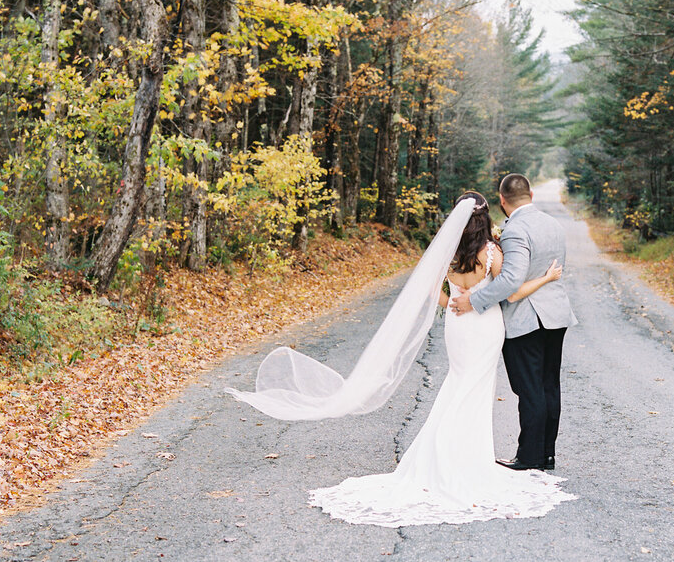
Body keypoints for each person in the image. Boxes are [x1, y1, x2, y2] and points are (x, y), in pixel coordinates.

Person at [229, 190, 575, 527]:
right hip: (485, 327)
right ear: (485, 220)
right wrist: (545, 278)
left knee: (458, 383)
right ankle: (469, 458)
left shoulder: (447, 253)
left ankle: (448, 454)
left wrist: (452, 304)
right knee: (476, 390)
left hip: (458, 327)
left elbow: (427, 288)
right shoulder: (491, 252)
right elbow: (511, 291)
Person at [449, 173, 576, 472]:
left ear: (502, 200)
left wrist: (474, 301)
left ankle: (530, 456)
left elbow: (510, 279)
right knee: (548, 386)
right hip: (556, 314)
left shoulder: (516, 230)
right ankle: (546, 453)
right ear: (530, 194)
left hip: (527, 318)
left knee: (529, 388)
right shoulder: (553, 224)